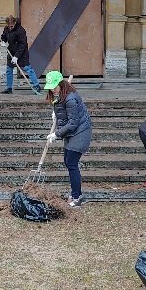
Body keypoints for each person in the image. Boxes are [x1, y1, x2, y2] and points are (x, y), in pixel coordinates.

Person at [43, 71, 92, 207]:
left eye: (55, 86)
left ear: (60, 84)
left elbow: (73, 123)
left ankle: (77, 196)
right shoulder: (59, 95)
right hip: (72, 133)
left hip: (80, 132)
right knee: (67, 161)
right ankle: (76, 193)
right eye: (51, 86)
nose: (53, 89)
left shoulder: (70, 99)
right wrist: (56, 112)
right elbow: (61, 109)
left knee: (71, 163)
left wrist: (56, 134)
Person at [0, 15, 42, 94]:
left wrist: (16, 56)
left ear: (15, 23)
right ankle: (9, 88)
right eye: (9, 26)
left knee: (28, 69)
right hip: (11, 52)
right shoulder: (6, 29)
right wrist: (3, 41)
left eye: (12, 26)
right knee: (9, 70)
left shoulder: (20, 30)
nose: (10, 27)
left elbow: (23, 45)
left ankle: (37, 85)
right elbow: (4, 36)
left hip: (22, 54)